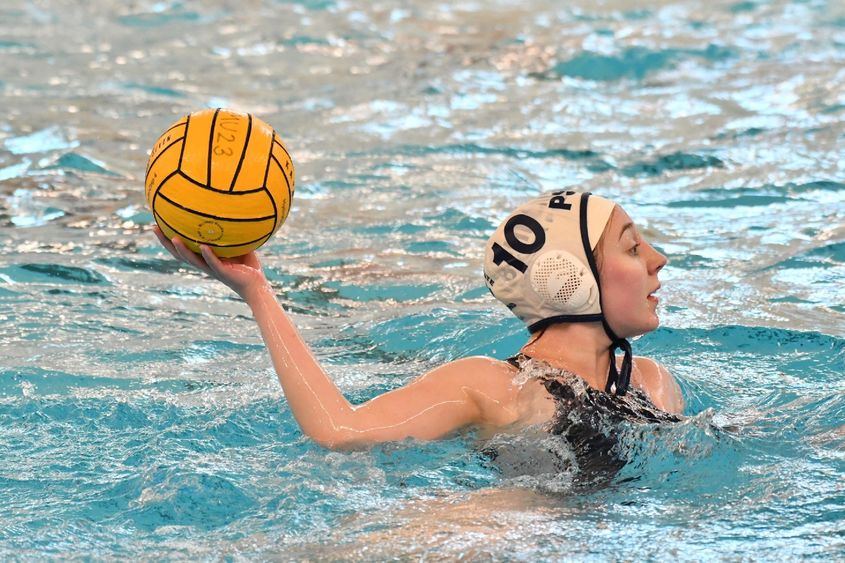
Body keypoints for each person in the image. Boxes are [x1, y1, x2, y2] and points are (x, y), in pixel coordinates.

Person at [152, 190, 684, 451]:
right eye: (633, 247)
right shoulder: (489, 383)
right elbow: (341, 432)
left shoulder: (653, 384)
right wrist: (258, 293)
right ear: (566, 278)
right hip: (486, 541)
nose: (658, 259)